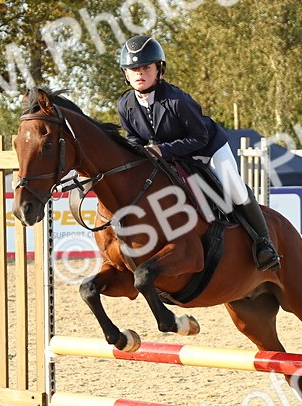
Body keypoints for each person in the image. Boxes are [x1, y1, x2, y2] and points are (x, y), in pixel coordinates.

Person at [114, 34, 280, 270]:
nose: (139, 73)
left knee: (234, 189)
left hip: (208, 149)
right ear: (126, 74)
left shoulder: (177, 100)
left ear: (159, 70)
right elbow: (134, 139)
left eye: (145, 67)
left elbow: (200, 137)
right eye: (133, 69)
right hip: (173, 156)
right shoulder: (125, 105)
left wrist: (162, 150)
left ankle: (265, 245)